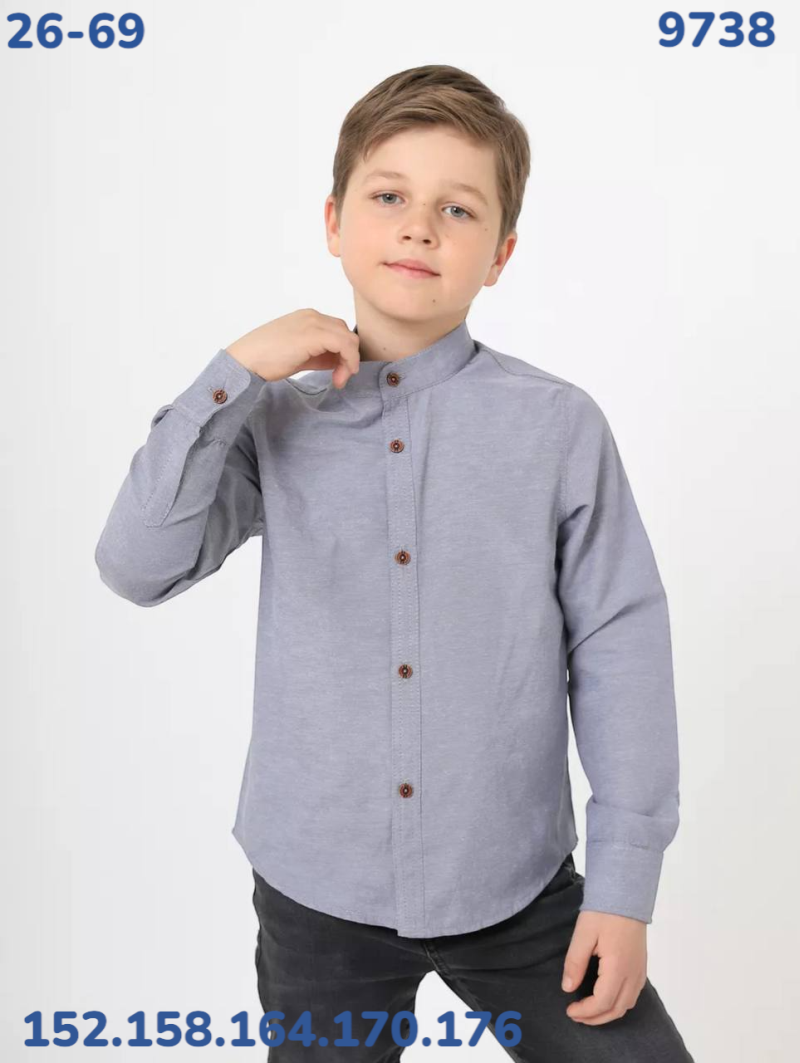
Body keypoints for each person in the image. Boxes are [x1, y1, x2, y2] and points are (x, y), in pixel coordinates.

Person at [95, 64, 694, 1062]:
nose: (418, 228)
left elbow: (619, 645)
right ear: (333, 222)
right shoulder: (268, 418)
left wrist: (624, 886)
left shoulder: (555, 427)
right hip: (316, 891)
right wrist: (231, 374)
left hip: (513, 884)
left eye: (456, 209)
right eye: (387, 197)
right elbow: (135, 565)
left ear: (500, 254)